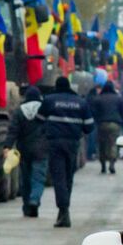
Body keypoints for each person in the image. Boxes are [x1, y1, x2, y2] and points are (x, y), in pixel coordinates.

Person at [39, 75, 94, 228]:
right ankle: (65, 210)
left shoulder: (49, 100)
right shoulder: (80, 103)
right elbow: (89, 126)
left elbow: (39, 119)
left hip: (55, 143)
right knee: (68, 177)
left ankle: (63, 211)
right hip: (72, 144)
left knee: (59, 177)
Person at [13, 83, 49, 217]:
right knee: (38, 178)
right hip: (42, 150)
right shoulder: (45, 109)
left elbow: (13, 130)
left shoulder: (19, 111)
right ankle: (35, 200)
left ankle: (26, 205)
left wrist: (7, 146)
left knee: (26, 179)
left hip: (24, 149)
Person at [90, 75, 123, 175]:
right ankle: (112, 163)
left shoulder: (99, 98)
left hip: (101, 124)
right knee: (113, 144)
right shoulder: (118, 98)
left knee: (102, 145)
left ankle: (103, 165)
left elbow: (92, 110)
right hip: (115, 124)